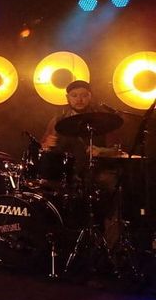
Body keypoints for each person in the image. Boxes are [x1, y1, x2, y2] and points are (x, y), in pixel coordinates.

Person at [40, 79, 123, 251]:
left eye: (84, 95)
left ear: (90, 97)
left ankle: (110, 247)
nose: (79, 99)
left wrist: (101, 151)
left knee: (110, 185)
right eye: (74, 95)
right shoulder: (59, 120)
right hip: (68, 173)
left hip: (99, 170)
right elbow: (45, 146)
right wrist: (47, 145)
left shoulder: (104, 119)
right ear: (67, 98)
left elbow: (117, 150)